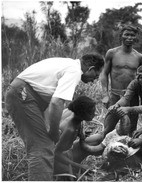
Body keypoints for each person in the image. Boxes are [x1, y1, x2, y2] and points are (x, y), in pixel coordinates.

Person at [5, 53, 104, 181]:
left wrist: (49, 129)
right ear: (90, 69)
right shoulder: (74, 71)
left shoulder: (69, 65)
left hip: (27, 96)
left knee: (45, 144)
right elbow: (56, 102)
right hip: (22, 94)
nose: (94, 80)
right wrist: (53, 131)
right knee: (42, 147)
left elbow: (46, 100)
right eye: (95, 75)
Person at [101, 24, 142, 138]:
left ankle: (128, 152)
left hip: (132, 96)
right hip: (115, 94)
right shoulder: (112, 53)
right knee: (108, 127)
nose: (130, 37)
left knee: (131, 128)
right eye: (127, 34)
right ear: (121, 36)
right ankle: (103, 150)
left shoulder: (139, 57)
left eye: (132, 35)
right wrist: (105, 95)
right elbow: (104, 74)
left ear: (135, 37)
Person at [105, 64, 142, 136]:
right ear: (137, 78)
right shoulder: (134, 84)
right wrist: (117, 104)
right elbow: (126, 98)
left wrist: (127, 109)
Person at [53, 96, 96, 179]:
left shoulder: (75, 116)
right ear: (84, 113)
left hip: (66, 152)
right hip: (56, 160)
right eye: (92, 112)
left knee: (95, 140)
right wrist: (79, 166)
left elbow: (80, 135)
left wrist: (82, 135)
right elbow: (56, 153)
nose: (95, 114)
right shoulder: (70, 130)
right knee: (80, 176)